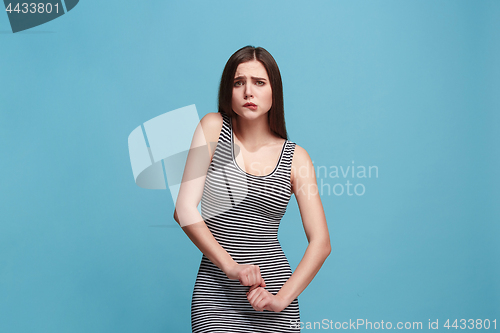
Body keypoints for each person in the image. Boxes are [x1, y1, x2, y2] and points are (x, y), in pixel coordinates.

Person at [173, 45, 330, 332]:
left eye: (259, 82)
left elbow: (321, 242)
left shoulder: (297, 159)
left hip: (272, 293)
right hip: (216, 293)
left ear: (274, 91)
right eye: (238, 82)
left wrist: (282, 299)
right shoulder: (212, 128)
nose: (248, 91)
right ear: (228, 91)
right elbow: (183, 209)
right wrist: (231, 268)